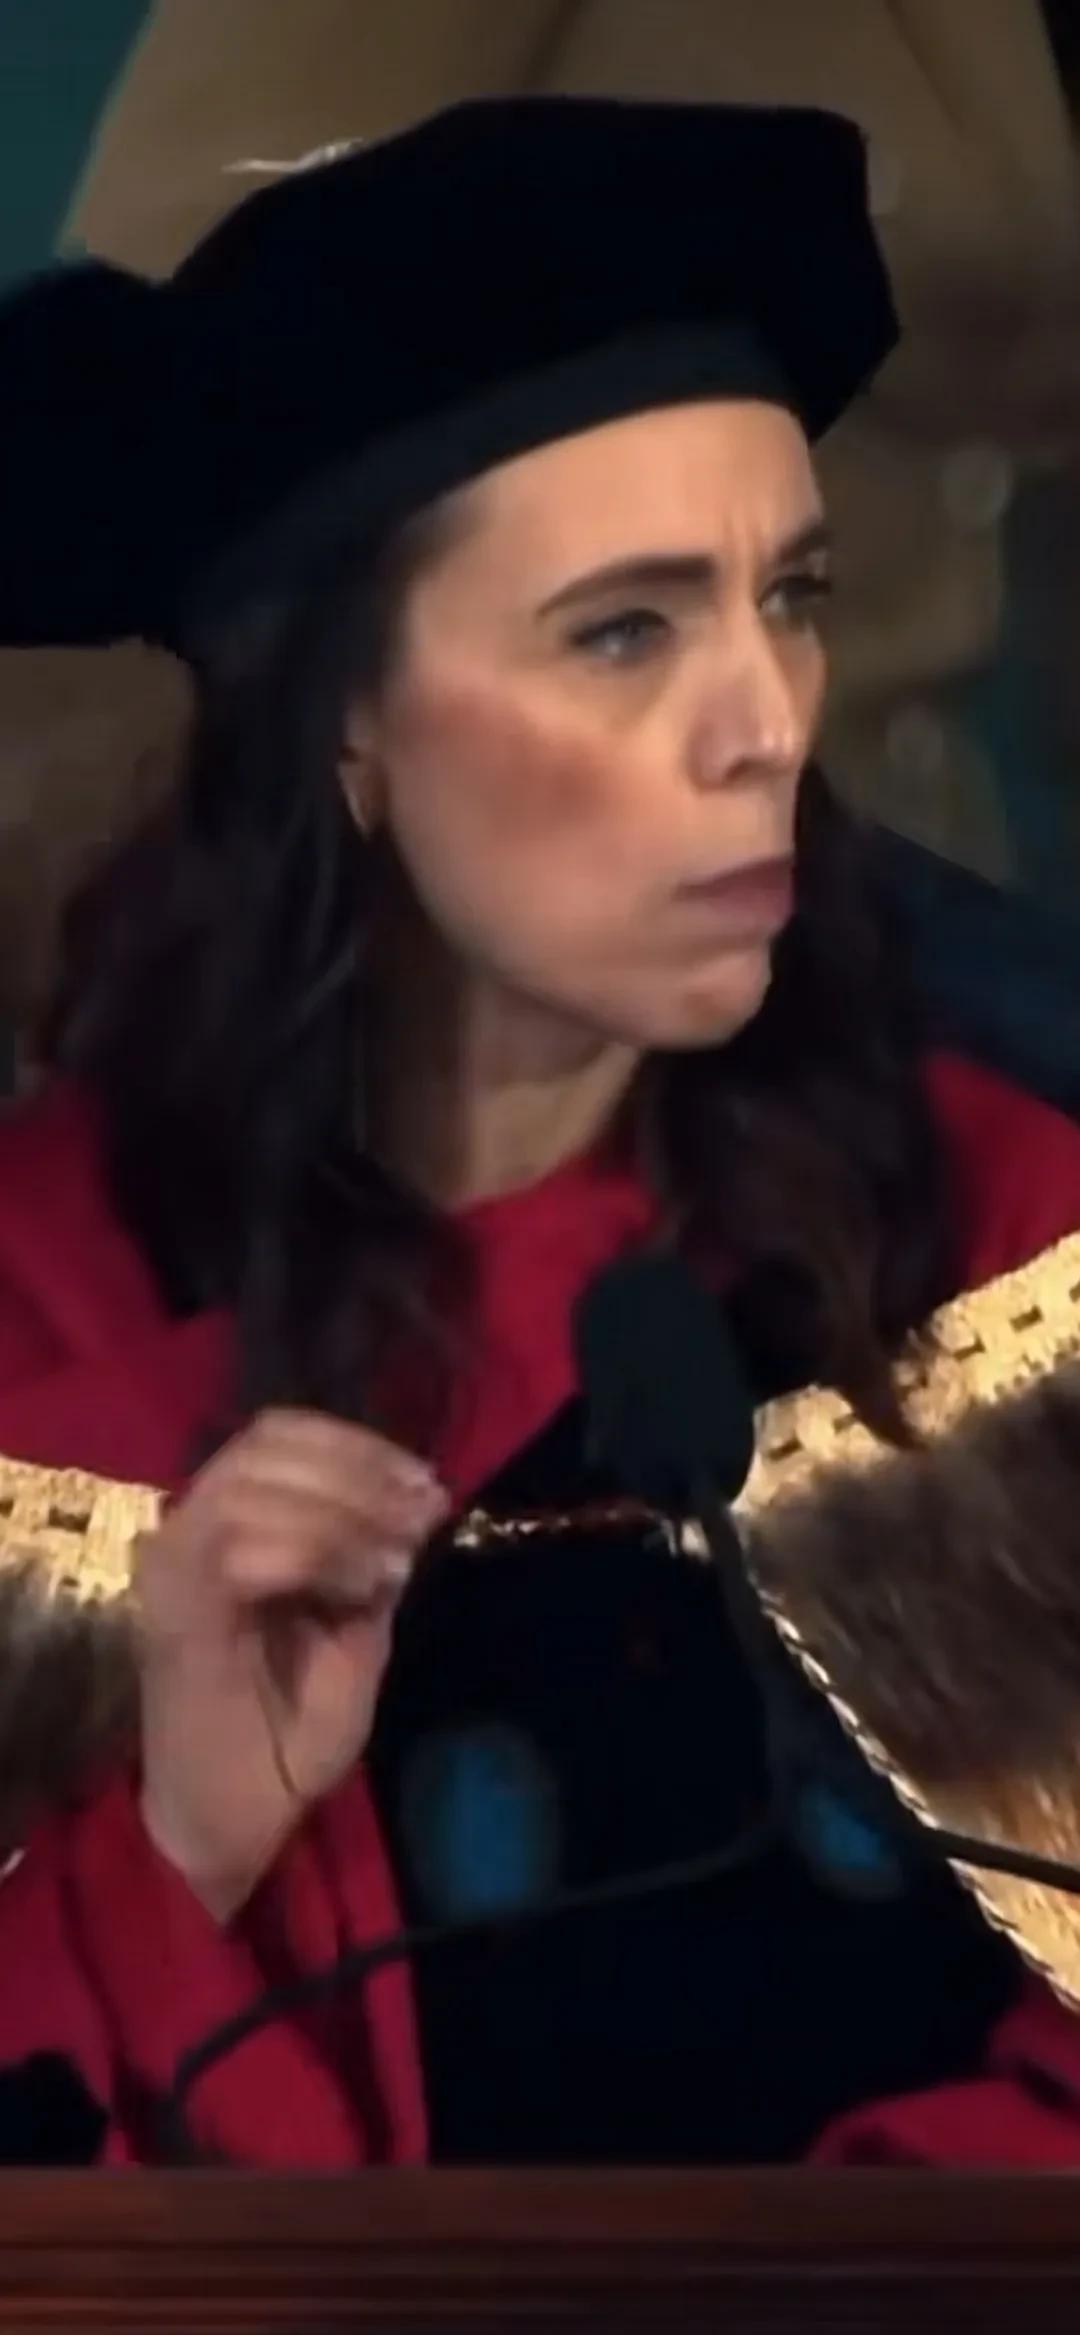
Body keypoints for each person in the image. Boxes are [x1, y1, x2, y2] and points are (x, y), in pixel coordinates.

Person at [2, 94, 1080, 2168]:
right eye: (625, 629)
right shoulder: (41, 1320)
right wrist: (183, 1846)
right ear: (345, 723)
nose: (765, 720)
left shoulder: (1003, 1254)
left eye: (791, 595)